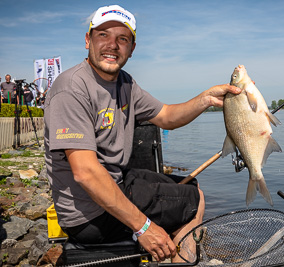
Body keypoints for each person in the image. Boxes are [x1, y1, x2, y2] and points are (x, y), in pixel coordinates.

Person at [44, 4, 240, 263]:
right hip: (87, 214)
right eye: (103, 35)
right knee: (196, 200)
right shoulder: (71, 88)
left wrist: (205, 99)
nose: (112, 45)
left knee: (190, 184)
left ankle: (174, 246)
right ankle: (181, 257)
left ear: (132, 48)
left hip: (116, 180)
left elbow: (167, 116)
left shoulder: (126, 82)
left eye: (122, 39)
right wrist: (144, 227)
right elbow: (86, 172)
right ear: (87, 40)